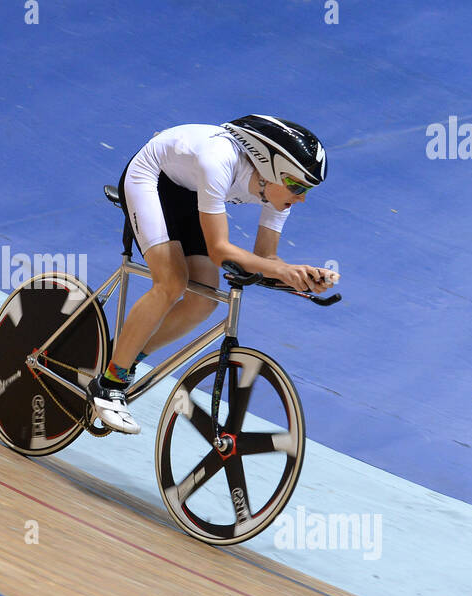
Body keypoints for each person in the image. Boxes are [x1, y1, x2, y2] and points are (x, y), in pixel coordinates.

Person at [87, 116, 338, 434]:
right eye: (298, 186)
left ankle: (127, 353)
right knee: (171, 282)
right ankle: (109, 383)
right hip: (151, 176)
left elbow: (265, 259)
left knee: (203, 301)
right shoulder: (220, 160)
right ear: (272, 168)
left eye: (308, 189)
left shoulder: (280, 193)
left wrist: (299, 277)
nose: (302, 197)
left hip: (190, 191)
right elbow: (220, 251)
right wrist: (281, 270)